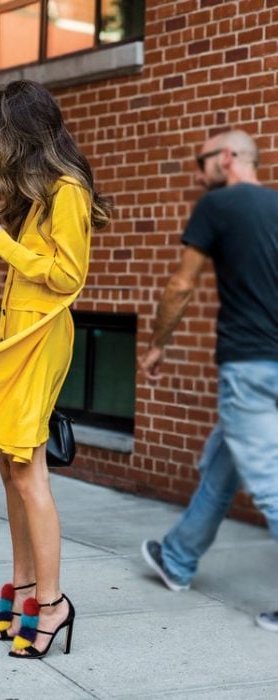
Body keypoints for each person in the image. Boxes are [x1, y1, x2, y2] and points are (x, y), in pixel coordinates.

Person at [0, 79, 110, 657]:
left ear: (22, 130)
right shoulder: (38, 193)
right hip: (18, 337)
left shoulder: (66, 190)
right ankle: (27, 588)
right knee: (10, 469)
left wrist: (3, 244)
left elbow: (67, 278)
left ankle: (54, 603)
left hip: (40, 340)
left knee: (30, 472)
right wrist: (6, 235)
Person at [138, 130, 278, 631]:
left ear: (226, 159)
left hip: (250, 367)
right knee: (225, 461)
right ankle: (177, 557)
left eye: (201, 164)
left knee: (270, 486)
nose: (198, 176)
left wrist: (157, 344)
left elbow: (181, 284)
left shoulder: (217, 207)